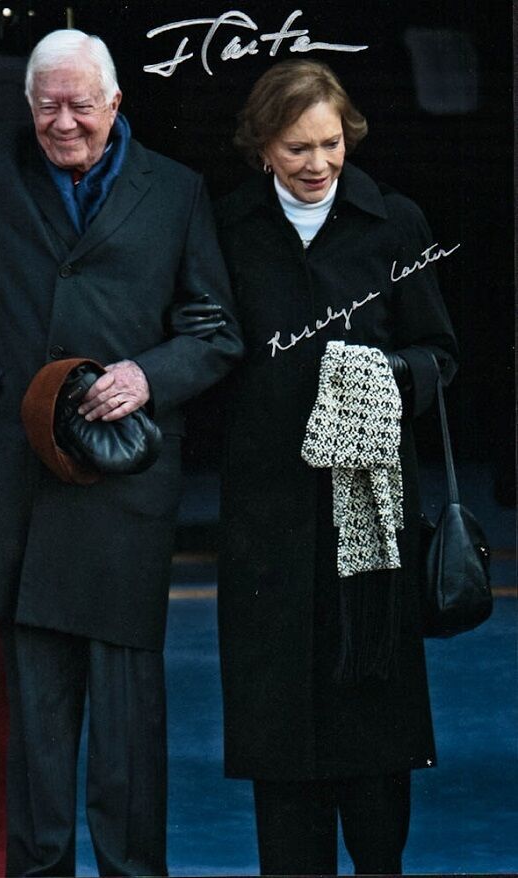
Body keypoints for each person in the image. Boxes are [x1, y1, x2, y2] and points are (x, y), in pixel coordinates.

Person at [0, 2, 242, 875]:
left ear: (114, 102)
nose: (62, 122)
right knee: (34, 715)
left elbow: (215, 330)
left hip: (124, 482)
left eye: (80, 105)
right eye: (46, 106)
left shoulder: (176, 190)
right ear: (26, 105)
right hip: (20, 475)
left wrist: (149, 374)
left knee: (129, 719)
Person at [215, 60, 458, 876]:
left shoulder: (395, 223)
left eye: (330, 145)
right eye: (296, 149)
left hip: (373, 524)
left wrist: (388, 379)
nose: (317, 164)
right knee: (279, 735)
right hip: (269, 520)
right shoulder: (229, 229)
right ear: (262, 151)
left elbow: (442, 355)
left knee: (374, 732)